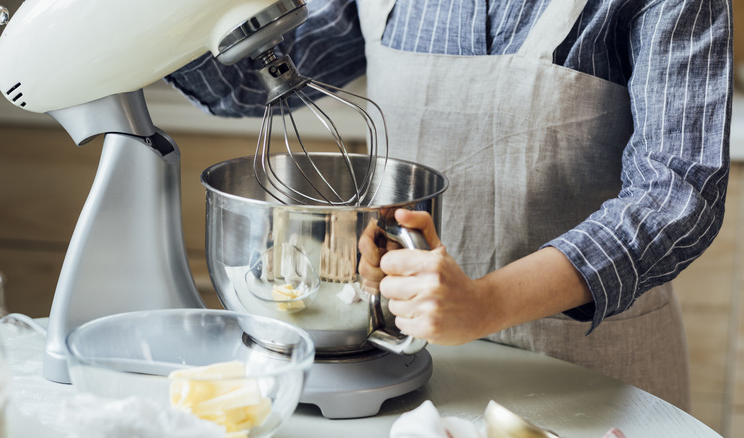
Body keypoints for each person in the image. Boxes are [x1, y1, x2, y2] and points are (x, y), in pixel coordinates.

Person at [166, 0, 733, 411]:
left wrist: (487, 303)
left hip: (592, 381)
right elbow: (238, 82)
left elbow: (677, 192)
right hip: (405, 374)